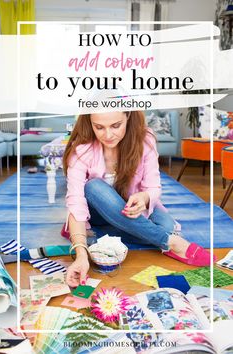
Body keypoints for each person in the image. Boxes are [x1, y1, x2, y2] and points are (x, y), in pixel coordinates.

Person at [63, 111, 214, 287]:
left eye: (115, 125)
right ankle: (169, 242)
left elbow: (153, 187)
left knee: (167, 226)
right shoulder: (81, 150)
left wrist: (145, 197)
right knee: (93, 186)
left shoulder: (145, 140)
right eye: (99, 127)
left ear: (128, 115)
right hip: (97, 213)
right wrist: (81, 255)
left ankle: (98, 234)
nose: (108, 135)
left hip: (134, 211)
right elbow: (76, 202)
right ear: (90, 123)